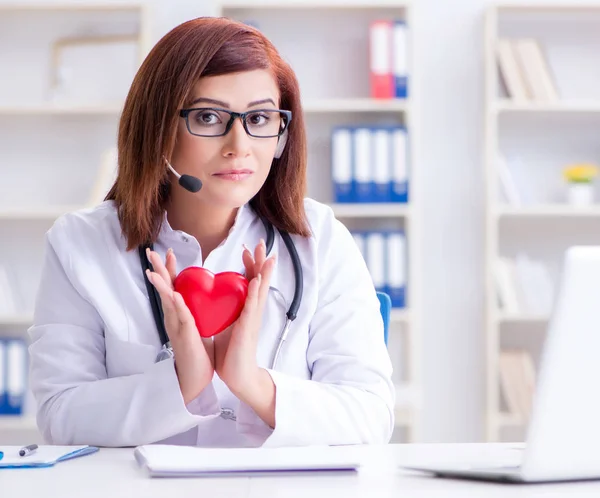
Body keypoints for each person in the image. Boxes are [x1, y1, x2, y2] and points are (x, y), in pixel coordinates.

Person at [27, 16, 395, 448]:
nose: (239, 144)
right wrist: (182, 382)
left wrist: (253, 383)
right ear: (158, 128)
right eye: (207, 116)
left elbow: (370, 416)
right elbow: (60, 415)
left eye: (259, 118)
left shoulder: (322, 241)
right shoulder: (81, 245)